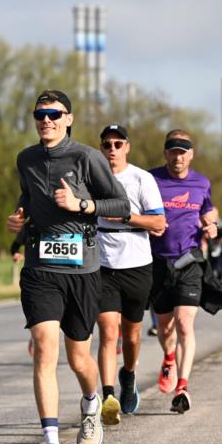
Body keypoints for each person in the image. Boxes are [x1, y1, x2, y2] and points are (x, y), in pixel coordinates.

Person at [6, 90, 129, 444]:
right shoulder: (25, 158)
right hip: (40, 268)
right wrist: (19, 216)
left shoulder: (86, 158)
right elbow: (28, 196)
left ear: (68, 119)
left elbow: (121, 206)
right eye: (40, 114)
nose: (47, 120)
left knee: (78, 358)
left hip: (82, 270)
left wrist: (84, 206)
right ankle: (51, 443)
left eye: (54, 114)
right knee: (44, 348)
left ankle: (92, 403)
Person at [93, 124, 166, 424]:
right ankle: (108, 396)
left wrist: (124, 216)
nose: (112, 149)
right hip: (102, 266)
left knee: (131, 335)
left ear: (127, 147)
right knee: (108, 332)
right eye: (107, 144)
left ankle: (129, 375)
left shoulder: (141, 178)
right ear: (101, 148)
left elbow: (159, 223)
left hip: (137, 265)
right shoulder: (91, 177)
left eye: (118, 144)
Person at [148, 130, 219, 414]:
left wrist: (212, 225)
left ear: (191, 154)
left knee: (185, 323)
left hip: (189, 260)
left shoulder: (201, 183)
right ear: (166, 153)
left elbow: (208, 210)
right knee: (165, 327)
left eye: (183, 151)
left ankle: (183, 386)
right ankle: (168, 356)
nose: (178, 157)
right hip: (158, 262)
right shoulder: (151, 179)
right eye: (173, 151)